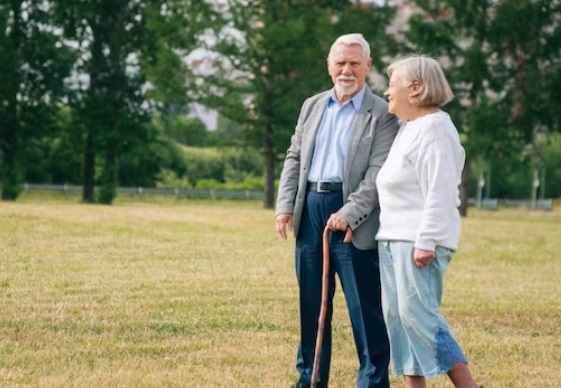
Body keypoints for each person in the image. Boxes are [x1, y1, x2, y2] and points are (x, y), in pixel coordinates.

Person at [275, 33, 399, 388]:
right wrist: (284, 207)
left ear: (368, 67)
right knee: (312, 305)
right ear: (330, 67)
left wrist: (350, 212)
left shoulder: (382, 114)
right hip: (310, 211)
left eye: (354, 63)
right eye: (340, 62)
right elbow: (294, 157)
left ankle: (373, 380)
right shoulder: (312, 105)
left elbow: (378, 173)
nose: (347, 70)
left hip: (352, 220)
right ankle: (310, 379)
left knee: (364, 308)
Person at [376, 55, 482, 388]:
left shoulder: (436, 128)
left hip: (418, 242)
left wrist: (427, 240)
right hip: (392, 239)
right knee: (399, 320)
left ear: (416, 88)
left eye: (392, 84)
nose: (386, 91)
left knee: (419, 317)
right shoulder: (410, 128)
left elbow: (440, 189)